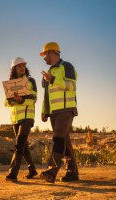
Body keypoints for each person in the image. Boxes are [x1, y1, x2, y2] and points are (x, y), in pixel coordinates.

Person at [38, 42, 79, 183]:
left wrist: (53, 80)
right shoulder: (49, 72)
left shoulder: (66, 66)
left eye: (45, 55)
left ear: (51, 52)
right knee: (65, 143)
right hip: (54, 112)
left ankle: (51, 172)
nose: (44, 58)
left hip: (66, 110)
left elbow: (72, 86)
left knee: (58, 140)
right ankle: (72, 173)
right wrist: (44, 111)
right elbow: (47, 96)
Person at [4, 57, 38, 182]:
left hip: (27, 117)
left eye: (24, 65)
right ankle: (33, 170)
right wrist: (10, 101)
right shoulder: (10, 84)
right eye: (19, 66)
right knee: (23, 147)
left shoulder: (30, 81)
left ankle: (13, 173)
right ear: (14, 68)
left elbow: (34, 99)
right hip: (15, 119)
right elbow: (6, 103)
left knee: (19, 145)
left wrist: (22, 100)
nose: (22, 67)